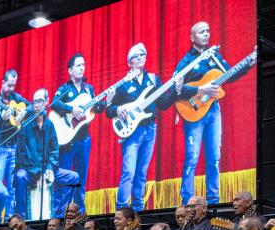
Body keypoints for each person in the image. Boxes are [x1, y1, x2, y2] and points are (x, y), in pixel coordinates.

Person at [175, 22, 256, 205]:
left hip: (212, 110)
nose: (206, 34)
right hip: (193, 113)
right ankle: (187, 201)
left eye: (208, 31)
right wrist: (200, 90)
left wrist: (249, 62)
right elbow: (175, 90)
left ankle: (213, 201)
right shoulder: (186, 61)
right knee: (192, 158)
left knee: (214, 157)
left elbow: (230, 74)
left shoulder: (214, 56)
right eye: (201, 32)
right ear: (192, 37)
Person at [105, 43, 180, 212]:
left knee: (142, 172)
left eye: (142, 55)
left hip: (150, 129)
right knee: (128, 172)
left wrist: (176, 90)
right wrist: (118, 109)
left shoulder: (153, 79)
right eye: (136, 56)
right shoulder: (123, 84)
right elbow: (109, 110)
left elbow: (163, 103)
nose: (140, 58)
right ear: (129, 62)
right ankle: (121, 209)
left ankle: (138, 209)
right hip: (132, 133)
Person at [51, 53, 113, 214]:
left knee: (81, 178)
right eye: (78, 65)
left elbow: (96, 109)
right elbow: (54, 104)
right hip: (67, 141)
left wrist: (107, 101)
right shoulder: (65, 89)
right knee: (65, 180)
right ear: (70, 70)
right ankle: (60, 214)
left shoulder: (88, 89)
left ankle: (80, 213)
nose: (82, 68)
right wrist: (72, 109)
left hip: (84, 139)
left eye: (83, 65)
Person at [14, 88, 80, 219]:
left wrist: (49, 169)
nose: (36, 105)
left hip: (46, 170)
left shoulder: (50, 125)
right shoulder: (25, 126)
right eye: (34, 102)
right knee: (20, 176)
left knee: (73, 177)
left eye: (40, 101)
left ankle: (59, 215)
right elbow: (21, 156)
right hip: (30, 171)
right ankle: (21, 217)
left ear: (47, 102)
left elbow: (54, 152)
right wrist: (38, 173)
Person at [0, 69, 31, 219]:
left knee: (11, 188)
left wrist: (23, 113)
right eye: (9, 85)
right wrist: (1, 118)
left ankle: (9, 219)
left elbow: (30, 105)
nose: (11, 89)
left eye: (13, 85)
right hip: (1, 150)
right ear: (2, 83)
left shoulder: (16, 97)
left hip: (14, 148)